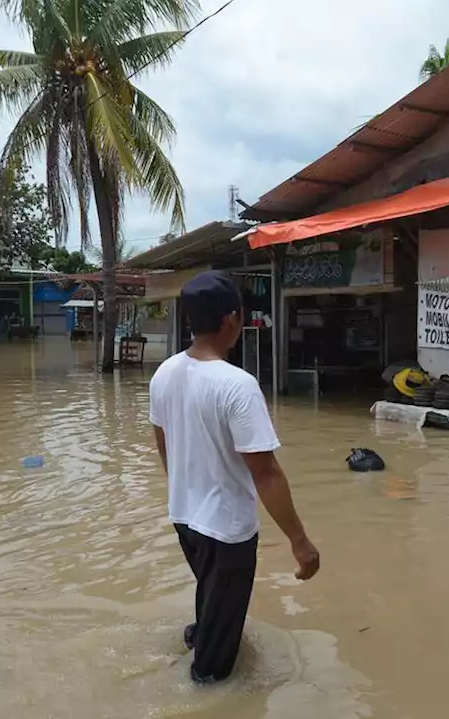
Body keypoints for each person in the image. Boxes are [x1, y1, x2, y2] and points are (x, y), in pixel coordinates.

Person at [148, 270, 320, 684]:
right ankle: (206, 677)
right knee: (214, 670)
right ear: (232, 319)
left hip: (185, 517)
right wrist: (301, 542)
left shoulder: (164, 373)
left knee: (210, 591)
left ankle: (201, 633)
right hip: (226, 529)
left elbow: (162, 441)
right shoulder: (237, 386)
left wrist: (183, 490)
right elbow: (267, 473)